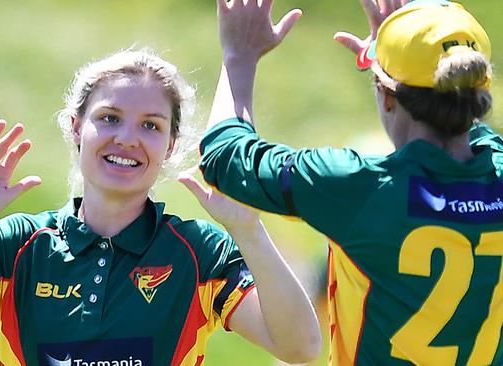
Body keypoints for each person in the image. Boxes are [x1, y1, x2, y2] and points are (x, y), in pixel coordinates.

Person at [0, 49, 321, 365]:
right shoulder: (17, 246)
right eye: (109, 117)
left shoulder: (198, 252)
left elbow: (299, 349)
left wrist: (249, 230)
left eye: (150, 125)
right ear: (76, 128)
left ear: (169, 147)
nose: (127, 138)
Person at [200, 0, 502, 365]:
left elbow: (225, 157)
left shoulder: (358, 187)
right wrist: (398, 55)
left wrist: (239, 56)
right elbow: (477, 138)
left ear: (387, 97)